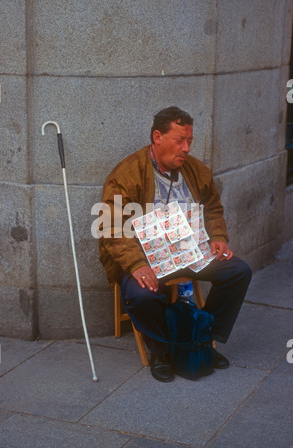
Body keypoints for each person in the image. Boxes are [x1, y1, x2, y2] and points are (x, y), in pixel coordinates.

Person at [99, 106, 252, 382]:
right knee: (142, 294)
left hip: (189, 250)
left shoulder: (196, 170)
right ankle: (160, 350)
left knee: (238, 271)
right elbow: (111, 226)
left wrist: (217, 236)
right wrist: (136, 264)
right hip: (145, 256)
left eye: (189, 141)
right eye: (179, 141)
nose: (185, 148)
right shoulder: (126, 174)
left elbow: (213, 208)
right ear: (157, 137)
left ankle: (201, 337)